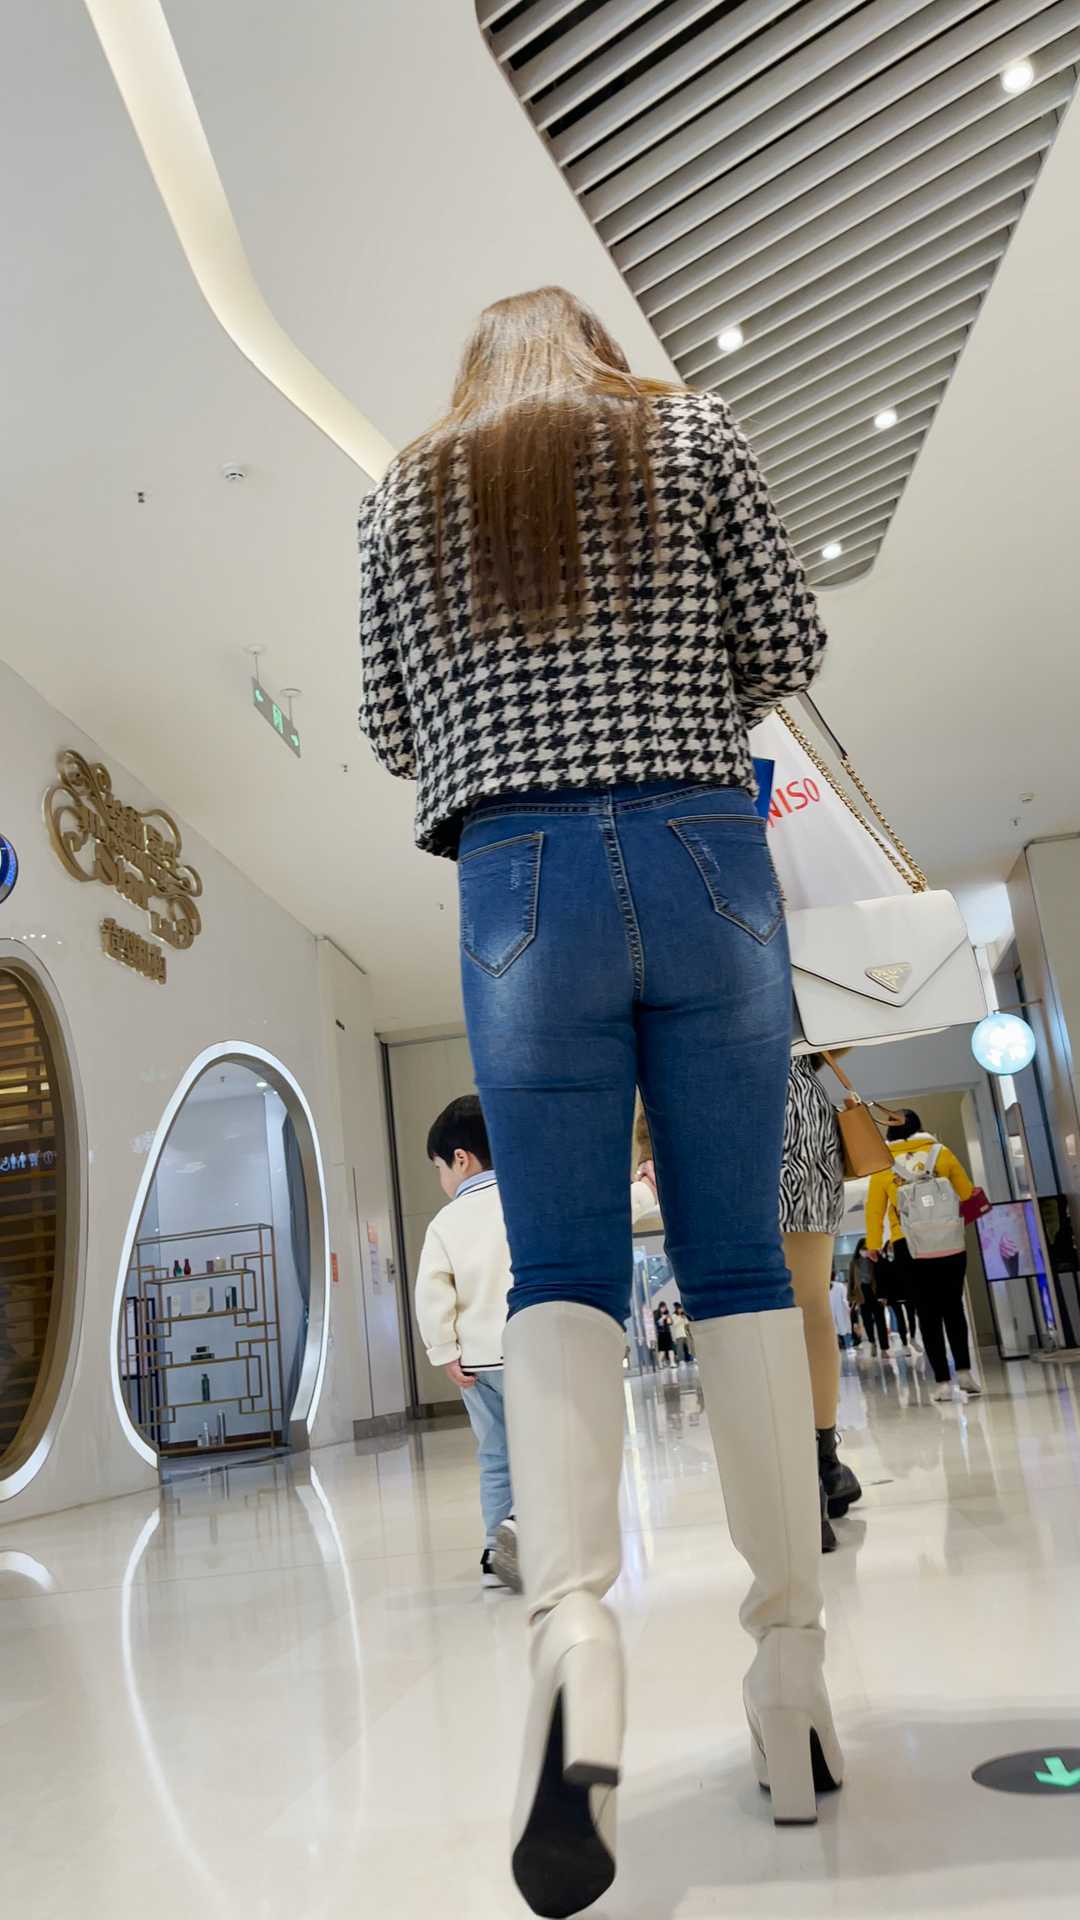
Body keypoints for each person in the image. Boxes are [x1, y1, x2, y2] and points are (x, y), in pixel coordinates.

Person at [359, 286, 836, 1916]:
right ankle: (789, 1671)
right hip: (707, 852)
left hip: (520, 880)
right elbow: (789, 644)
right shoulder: (690, 433)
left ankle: (575, 1648)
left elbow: (389, 724)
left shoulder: (405, 490)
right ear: (598, 353)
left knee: (557, 1270)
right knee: (741, 1266)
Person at [415, 1095, 520, 1591]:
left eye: (439, 1167)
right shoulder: (523, 1198)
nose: (442, 1178)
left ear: (461, 1159)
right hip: (529, 1350)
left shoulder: (446, 1222)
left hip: (477, 1364)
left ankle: (494, 1552)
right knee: (541, 1448)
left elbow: (432, 1291)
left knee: (495, 1455)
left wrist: (444, 1351)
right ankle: (533, 1532)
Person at [779, 1057, 862, 1551]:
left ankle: (788, 1484)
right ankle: (823, 1465)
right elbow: (835, 1030)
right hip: (793, 1107)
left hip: (703, 1098)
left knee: (738, 1313)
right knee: (810, 1307)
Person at [865, 1109, 982, 1402]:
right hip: (948, 1242)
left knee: (927, 1312)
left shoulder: (884, 1165)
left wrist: (873, 1244)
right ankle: (964, 1372)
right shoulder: (941, 1153)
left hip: (908, 1245)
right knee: (953, 1306)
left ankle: (942, 1382)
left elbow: (874, 1209)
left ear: (889, 1131)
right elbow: (967, 1194)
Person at [654, 1301, 677, 1368]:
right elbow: (657, 1323)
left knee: (670, 1349)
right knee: (662, 1351)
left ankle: (672, 1363)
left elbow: (670, 1323)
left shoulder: (667, 1313)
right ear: (660, 1307)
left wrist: (668, 1318)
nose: (664, 1309)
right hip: (661, 1334)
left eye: (665, 1307)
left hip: (667, 1333)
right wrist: (662, 1318)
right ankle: (660, 1363)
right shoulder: (656, 1313)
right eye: (663, 1307)